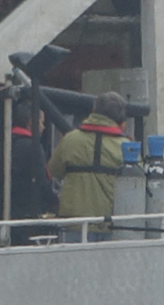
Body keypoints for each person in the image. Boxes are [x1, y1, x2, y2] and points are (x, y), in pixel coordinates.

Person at [46, 91, 129, 221]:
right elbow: (136, 184)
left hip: (74, 221)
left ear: (93, 110)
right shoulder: (126, 147)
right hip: (111, 222)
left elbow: (53, 171)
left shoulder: (70, 139)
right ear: (120, 118)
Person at [0, 101, 57, 222]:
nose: (44, 127)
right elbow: (41, 181)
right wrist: (54, 202)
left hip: (1, 212)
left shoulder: (1, 145)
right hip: (26, 215)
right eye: (42, 122)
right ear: (32, 122)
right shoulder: (33, 147)